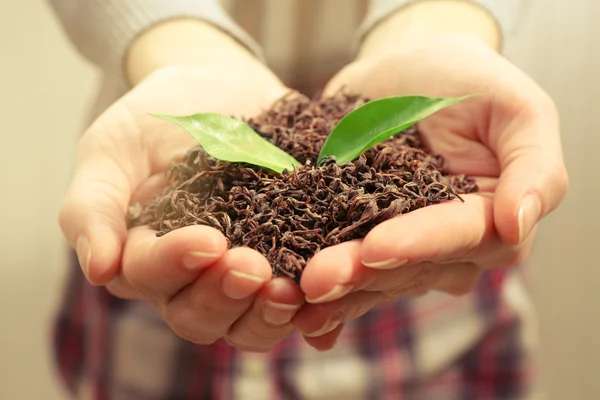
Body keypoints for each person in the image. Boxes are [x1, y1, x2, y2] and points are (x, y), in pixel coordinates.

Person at [48, 0, 568, 398]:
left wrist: (439, 21)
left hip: (428, 315)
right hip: (163, 291)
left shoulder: (416, 151)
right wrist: (175, 41)